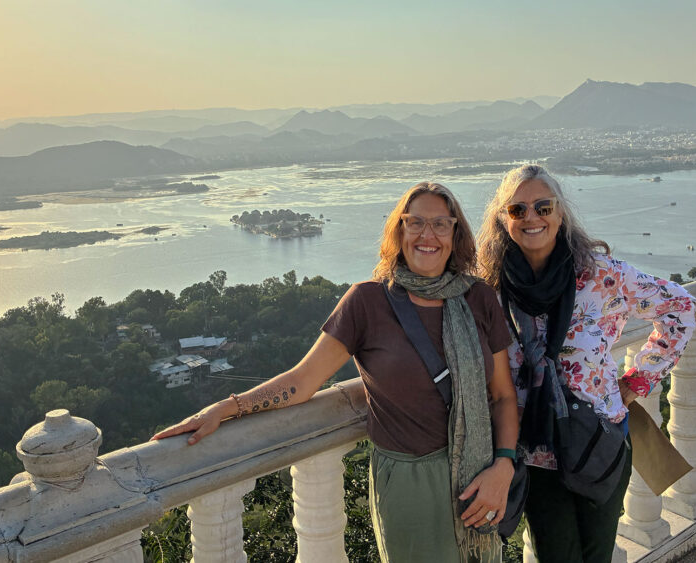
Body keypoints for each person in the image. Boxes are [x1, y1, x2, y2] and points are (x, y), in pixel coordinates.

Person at [152, 182, 519, 562]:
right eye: (416, 223)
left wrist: (504, 464)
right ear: (399, 230)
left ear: (455, 233)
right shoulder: (367, 302)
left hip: (480, 475)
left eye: (440, 224)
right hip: (408, 480)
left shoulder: (478, 298)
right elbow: (301, 381)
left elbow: (503, 395)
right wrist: (226, 408)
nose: (428, 235)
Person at [476, 164, 696, 563]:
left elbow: (681, 307)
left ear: (560, 213)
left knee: (597, 555)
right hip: (534, 451)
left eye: (543, 207)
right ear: (503, 219)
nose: (531, 217)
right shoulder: (489, 288)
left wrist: (638, 380)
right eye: (517, 209)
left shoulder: (602, 276)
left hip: (599, 439)